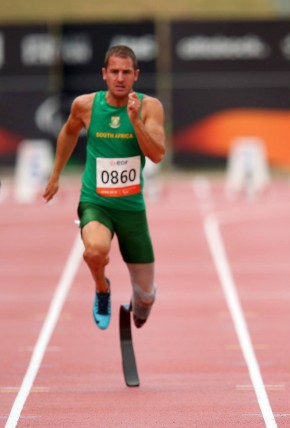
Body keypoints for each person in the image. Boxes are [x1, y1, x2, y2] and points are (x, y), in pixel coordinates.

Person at [43, 45, 166, 330]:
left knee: (146, 298)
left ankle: (142, 303)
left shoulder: (150, 107)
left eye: (126, 72)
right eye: (114, 72)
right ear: (104, 74)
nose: (120, 78)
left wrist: (135, 122)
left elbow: (157, 154)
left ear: (136, 75)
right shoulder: (85, 105)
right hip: (96, 202)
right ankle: (102, 289)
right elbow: (69, 132)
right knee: (95, 251)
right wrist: (55, 174)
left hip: (132, 209)